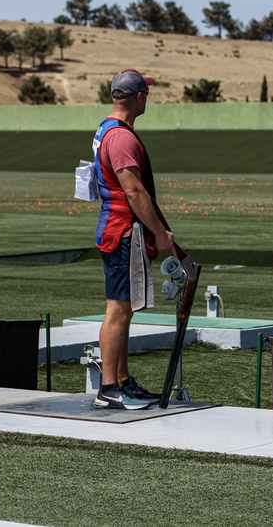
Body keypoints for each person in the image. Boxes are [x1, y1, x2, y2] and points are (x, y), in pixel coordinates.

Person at [91, 69, 176, 410]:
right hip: (123, 231)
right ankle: (109, 387)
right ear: (138, 98)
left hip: (117, 228)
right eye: (147, 94)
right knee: (119, 310)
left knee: (123, 309)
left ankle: (122, 380)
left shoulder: (107, 128)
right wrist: (159, 231)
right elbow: (134, 191)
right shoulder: (122, 138)